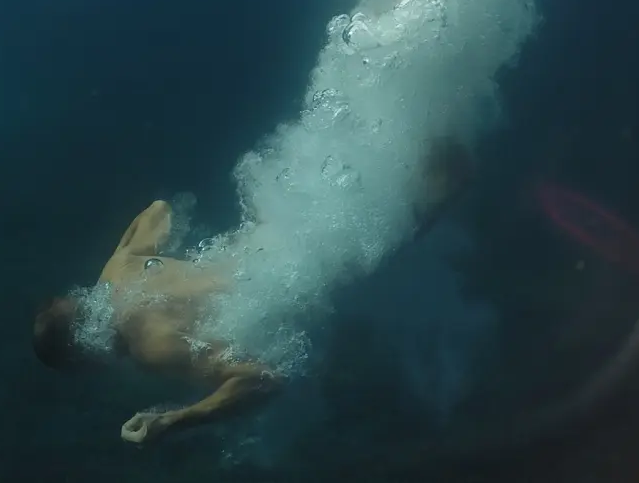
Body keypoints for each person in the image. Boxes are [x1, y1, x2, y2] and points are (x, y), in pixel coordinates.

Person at [32, 135, 474, 446]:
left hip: (306, 267)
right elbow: (159, 210)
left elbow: (263, 379)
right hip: (274, 227)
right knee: (389, 149)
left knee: (424, 203)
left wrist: (174, 420)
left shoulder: (151, 346)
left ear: (85, 356)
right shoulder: (116, 270)